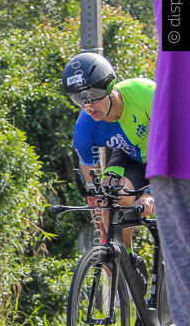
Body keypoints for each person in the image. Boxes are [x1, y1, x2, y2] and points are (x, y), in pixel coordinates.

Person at [108, 0, 190, 326]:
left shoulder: (138, 91)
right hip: (163, 151)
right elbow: (100, 176)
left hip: (173, 142)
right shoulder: (88, 123)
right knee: (123, 207)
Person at [62, 52, 155, 285]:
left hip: (169, 153)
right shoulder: (85, 129)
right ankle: (128, 267)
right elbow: (94, 196)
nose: (88, 105)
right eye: (79, 99)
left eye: (93, 95)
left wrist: (152, 194)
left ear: (110, 87)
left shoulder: (145, 94)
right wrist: (106, 245)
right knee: (108, 194)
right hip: (132, 158)